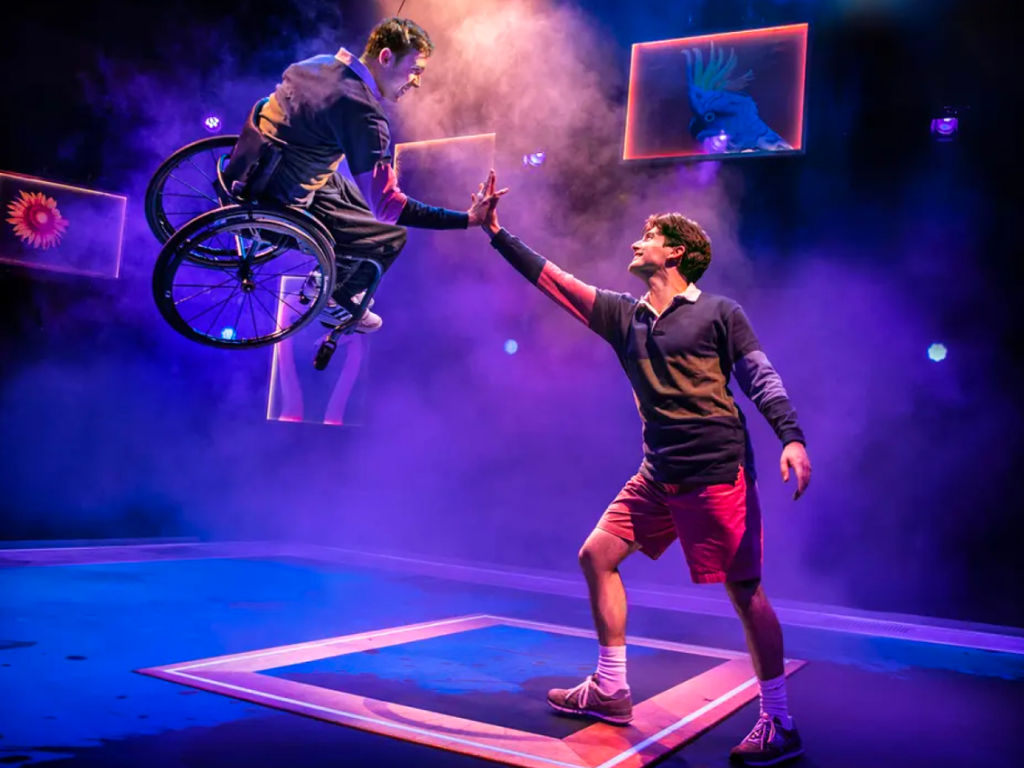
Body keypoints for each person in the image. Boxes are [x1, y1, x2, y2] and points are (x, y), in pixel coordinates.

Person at [470, 173, 812, 766]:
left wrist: (791, 437)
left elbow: (761, 377)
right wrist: (494, 232)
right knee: (596, 555)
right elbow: (553, 280)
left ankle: (779, 721)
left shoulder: (719, 313)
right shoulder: (623, 315)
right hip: (659, 472)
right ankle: (611, 688)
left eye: (648, 236)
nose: (636, 242)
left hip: (715, 471)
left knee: (744, 590)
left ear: (675, 252)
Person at [223, 17, 497, 331]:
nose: (417, 82)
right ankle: (333, 297)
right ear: (386, 57)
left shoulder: (317, 64)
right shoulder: (365, 114)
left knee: (357, 197)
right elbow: (389, 207)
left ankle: (334, 273)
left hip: (254, 168)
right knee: (391, 236)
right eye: (415, 70)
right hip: (277, 201)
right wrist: (467, 219)